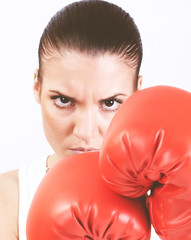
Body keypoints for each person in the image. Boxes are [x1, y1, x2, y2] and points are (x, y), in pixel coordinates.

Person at [0, 0, 155, 239]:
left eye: (110, 103)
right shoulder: (7, 199)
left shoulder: (169, 202)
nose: (85, 131)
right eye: (63, 100)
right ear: (37, 86)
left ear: (137, 93)